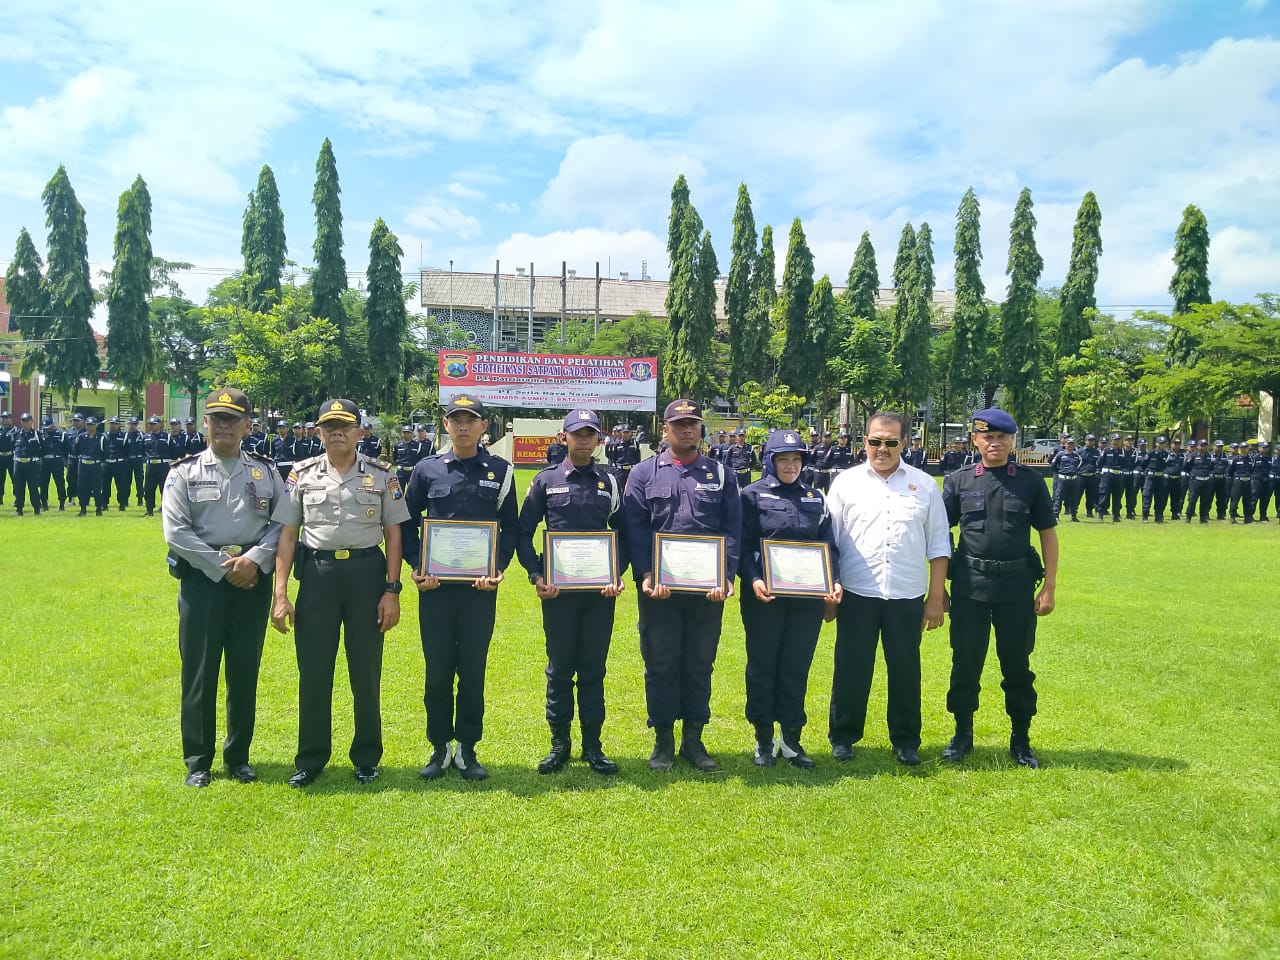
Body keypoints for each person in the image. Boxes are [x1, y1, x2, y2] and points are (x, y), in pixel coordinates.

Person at [271, 398, 408, 788]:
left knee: (365, 670)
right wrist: (280, 593)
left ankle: (366, 757)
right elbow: (287, 535)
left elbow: (394, 534)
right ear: (318, 432)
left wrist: (391, 589)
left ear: (359, 433)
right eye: (329, 426)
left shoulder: (382, 475)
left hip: (367, 575)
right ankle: (311, 758)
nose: (337, 433)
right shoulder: (301, 474)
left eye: (344, 426)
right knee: (314, 671)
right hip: (317, 575)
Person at [162, 387, 284, 787]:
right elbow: (176, 532)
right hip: (203, 582)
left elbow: (283, 524)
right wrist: (222, 566)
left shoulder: (266, 471)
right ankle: (198, 760)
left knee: (244, 670)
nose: (224, 426)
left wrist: (253, 561)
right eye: (216, 418)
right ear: (205, 423)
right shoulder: (184, 472)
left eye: (232, 419)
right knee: (199, 671)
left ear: (248, 425)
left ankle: (238, 756)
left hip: (252, 580)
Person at [402, 394, 518, 782]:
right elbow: (405, 523)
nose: (464, 425)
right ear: (446, 425)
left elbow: (512, 527)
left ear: (485, 426)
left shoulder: (501, 471)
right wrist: (418, 566)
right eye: (456, 419)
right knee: (437, 670)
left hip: (479, 591)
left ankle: (468, 747)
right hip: (435, 589)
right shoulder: (426, 469)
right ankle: (439, 747)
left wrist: (497, 567)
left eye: (471, 419)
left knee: (472, 670)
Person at [624, 399, 742, 772]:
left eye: (692, 423)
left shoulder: (722, 475)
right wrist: (645, 574)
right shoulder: (643, 474)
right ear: (665, 429)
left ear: (700, 428)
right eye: (679, 424)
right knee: (660, 664)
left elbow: (733, 529)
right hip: (660, 591)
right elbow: (636, 529)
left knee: (699, 663)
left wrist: (726, 575)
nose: (687, 429)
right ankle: (662, 740)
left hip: (707, 591)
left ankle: (694, 738)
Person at [825, 412, 950, 766]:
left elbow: (939, 545)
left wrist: (936, 598)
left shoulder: (925, 485)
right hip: (856, 591)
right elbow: (829, 543)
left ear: (905, 444)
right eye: (875, 441)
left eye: (891, 442)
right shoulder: (846, 483)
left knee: (905, 669)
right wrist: (830, 591)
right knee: (852, 667)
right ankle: (844, 736)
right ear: (864, 441)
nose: (882, 448)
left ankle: (906, 740)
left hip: (907, 594)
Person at [941, 408, 1058, 769]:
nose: (995, 443)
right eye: (988, 437)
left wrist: (1050, 585)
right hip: (970, 586)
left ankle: (1021, 739)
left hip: (1016, 588)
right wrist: (938, 587)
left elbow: (1048, 534)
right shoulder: (958, 481)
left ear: (1012, 441)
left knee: (1017, 665)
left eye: (1002, 437)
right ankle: (962, 735)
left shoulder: (1030, 481)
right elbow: (937, 536)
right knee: (966, 664)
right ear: (975, 440)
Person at [517, 408, 627, 775]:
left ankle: (593, 745)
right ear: (563, 437)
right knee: (560, 669)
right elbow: (523, 532)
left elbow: (624, 533)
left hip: (599, 594)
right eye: (577, 433)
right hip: (559, 593)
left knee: (594, 669)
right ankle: (559, 743)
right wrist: (536, 575)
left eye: (590, 434)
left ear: (599, 439)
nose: (584, 439)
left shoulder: (610, 480)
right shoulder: (546, 480)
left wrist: (618, 572)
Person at [739, 429, 841, 767]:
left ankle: (792, 740)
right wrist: (753, 580)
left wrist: (834, 582)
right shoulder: (751, 496)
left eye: (796, 459)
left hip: (807, 600)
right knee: (763, 667)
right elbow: (742, 548)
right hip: (764, 598)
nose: (790, 465)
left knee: (796, 667)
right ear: (770, 460)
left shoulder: (815, 498)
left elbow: (828, 548)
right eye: (783, 459)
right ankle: (763, 739)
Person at [11, 412, 44, 515]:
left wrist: (36, 457)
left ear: (31, 422)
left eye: (27, 421)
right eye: (23, 421)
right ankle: (19, 509)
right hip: (19, 464)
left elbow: (44, 448)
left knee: (33, 487)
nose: (25, 423)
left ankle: (36, 509)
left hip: (31, 464)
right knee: (19, 487)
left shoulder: (37, 434)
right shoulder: (16, 434)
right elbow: (13, 447)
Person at [73, 417, 107, 516]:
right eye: (88, 425)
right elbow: (75, 451)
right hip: (83, 465)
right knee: (81, 488)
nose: (89, 427)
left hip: (95, 465)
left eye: (91, 425)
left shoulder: (101, 437)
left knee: (96, 488)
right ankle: (83, 509)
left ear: (96, 425)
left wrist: (99, 461)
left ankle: (98, 509)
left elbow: (105, 452)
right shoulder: (81, 437)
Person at [140, 416, 172, 516]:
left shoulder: (167, 437)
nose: (152, 426)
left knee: (165, 488)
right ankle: (149, 509)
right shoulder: (146, 437)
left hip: (163, 466)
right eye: (151, 424)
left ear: (160, 424)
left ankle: (165, 508)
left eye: (154, 424)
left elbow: (173, 450)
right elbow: (142, 451)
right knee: (149, 489)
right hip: (151, 466)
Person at [102, 417, 132, 511]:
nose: (113, 425)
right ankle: (104, 504)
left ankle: (122, 504)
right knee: (105, 485)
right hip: (107, 464)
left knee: (121, 485)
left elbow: (128, 450)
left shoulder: (124, 436)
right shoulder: (104, 436)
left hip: (120, 463)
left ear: (118, 425)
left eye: (115, 423)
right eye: (111, 423)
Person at [39, 417, 68, 511]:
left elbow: (67, 449)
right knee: (43, 483)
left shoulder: (61, 435)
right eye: (44, 427)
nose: (46, 429)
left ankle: (62, 504)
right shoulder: (40, 435)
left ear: (52, 425)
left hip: (57, 461)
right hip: (44, 461)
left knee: (60, 483)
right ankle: (44, 504)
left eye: (48, 427)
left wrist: (64, 460)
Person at [1051, 436, 1083, 521]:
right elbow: (1053, 466)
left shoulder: (1077, 455)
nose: (1070, 446)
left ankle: (1073, 516)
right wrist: (1060, 473)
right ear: (1065, 445)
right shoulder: (1060, 454)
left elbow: (1080, 465)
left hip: (1073, 479)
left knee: (1074, 498)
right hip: (1063, 479)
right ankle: (1056, 515)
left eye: (1072, 444)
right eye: (1069, 444)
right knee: (1059, 497)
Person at [0, 410, 14, 505]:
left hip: (11, 457)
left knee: (15, 478)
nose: (5, 420)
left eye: (7, 418)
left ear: (11, 419)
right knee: (0, 479)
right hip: (1, 457)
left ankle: (18, 498)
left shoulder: (15, 430)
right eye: (3, 418)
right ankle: (0, 499)